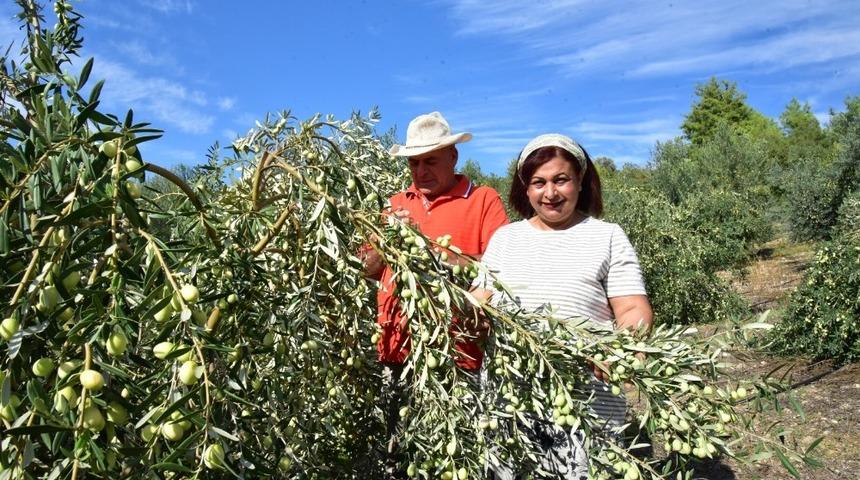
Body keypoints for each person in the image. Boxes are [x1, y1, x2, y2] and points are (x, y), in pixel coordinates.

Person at [474, 133, 653, 479]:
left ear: (580, 181)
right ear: (526, 188)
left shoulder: (607, 236)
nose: (550, 193)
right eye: (538, 182)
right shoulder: (505, 239)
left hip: (588, 405)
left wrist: (620, 347)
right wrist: (473, 310)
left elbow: (633, 308)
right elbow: (483, 302)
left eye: (561, 180)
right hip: (512, 403)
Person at [361, 111, 509, 476]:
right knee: (398, 456)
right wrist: (386, 241)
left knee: (461, 457)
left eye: (430, 161)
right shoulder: (394, 204)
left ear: (453, 157)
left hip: (460, 356)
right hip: (397, 352)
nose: (420, 171)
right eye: (414, 163)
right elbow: (367, 268)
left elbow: (501, 268)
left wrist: (431, 252)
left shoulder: (483, 200)